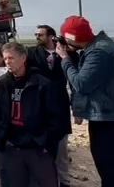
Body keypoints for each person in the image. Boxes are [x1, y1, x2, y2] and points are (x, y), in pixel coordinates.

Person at [56, 16, 114, 186]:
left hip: (110, 121)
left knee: (112, 171)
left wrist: (64, 58)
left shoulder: (99, 52)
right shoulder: (102, 46)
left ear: (71, 38)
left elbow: (81, 84)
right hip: (112, 117)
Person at [0, 42, 66, 187]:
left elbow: (56, 118)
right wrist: (1, 139)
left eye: (11, 58)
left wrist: (45, 144)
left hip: (37, 148)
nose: (7, 62)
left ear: (23, 58)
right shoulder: (2, 84)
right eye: (5, 59)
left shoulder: (42, 84)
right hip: (12, 147)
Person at [26, 25, 77, 186]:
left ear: (51, 37)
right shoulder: (32, 53)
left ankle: (63, 179)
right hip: (38, 104)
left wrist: (77, 108)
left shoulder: (67, 54)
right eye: (36, 34)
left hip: (60, 103)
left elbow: (75, 79)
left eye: (40, 34)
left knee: (61, 145)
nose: (37, 37)